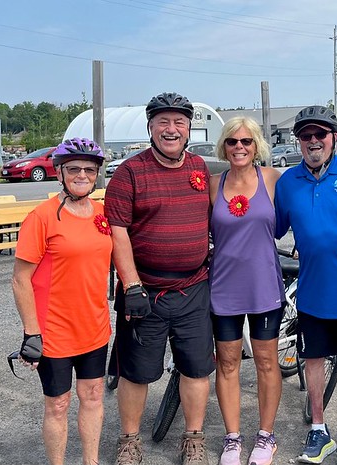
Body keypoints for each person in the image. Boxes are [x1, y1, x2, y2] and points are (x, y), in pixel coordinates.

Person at [105, 91, 215, 465]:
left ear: (188, 128)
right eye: (163, 122)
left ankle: (193, 437)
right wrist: (132, 284)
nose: (172, 129)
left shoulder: (199, 167)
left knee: (196, 368)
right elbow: (117, 232)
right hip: (145, 291)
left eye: (179, 122)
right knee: (136, 372)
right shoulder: (129, 172)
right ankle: (129, 440)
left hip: (193, 287)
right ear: (150, 126)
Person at [274, 106, 337, 465]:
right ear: (298, 141)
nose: (313, 141)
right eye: (306, 136)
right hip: (313, 292)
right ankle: (319, 428)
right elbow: (268, 228)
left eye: (320, 134)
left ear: (334, 137)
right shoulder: (288, 182)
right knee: (312, 360)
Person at [11, 138, 112, 465]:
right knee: (58, 404)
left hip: (94, 327)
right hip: (54, 331)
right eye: (73, 169)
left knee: (94, 396)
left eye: (89, 169)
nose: (81, 175)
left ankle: (91, 461)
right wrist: (31, 333)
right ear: (60, 173)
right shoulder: (41, 217)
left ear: (97, 174)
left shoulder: (103, 214)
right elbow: (20, 278)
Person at [208, 117, 284, 465]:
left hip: (263, 286)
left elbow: (296, 219)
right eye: (232, 142)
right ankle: (232, 439)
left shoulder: (272, 180)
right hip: (224, 288)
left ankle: (266, 437)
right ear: (223, 147)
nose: (239, 147)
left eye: (246, 142)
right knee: (228, 363)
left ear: (257, 147)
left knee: (267, 362)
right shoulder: (212, 185)